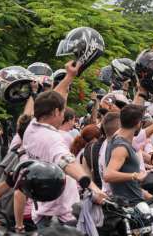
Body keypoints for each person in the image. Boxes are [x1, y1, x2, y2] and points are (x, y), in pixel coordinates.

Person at [22, 61, 104, 229]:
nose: (64, 113)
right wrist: (92, 187)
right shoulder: (52, 138)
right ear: (56, 113)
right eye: (62, 110)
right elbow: (66, 161)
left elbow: (54, 98)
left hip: (43, 212)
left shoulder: (31, 128)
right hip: (59, 218)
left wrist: (70, 76)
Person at [104, 104, 148, 205]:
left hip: (133, 201)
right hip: (131, 205)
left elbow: (128, 115)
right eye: (142, 122)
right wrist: (135, 176)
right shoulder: (121, 147)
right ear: (138, 123)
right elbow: (108, 175)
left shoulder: (115, 137)